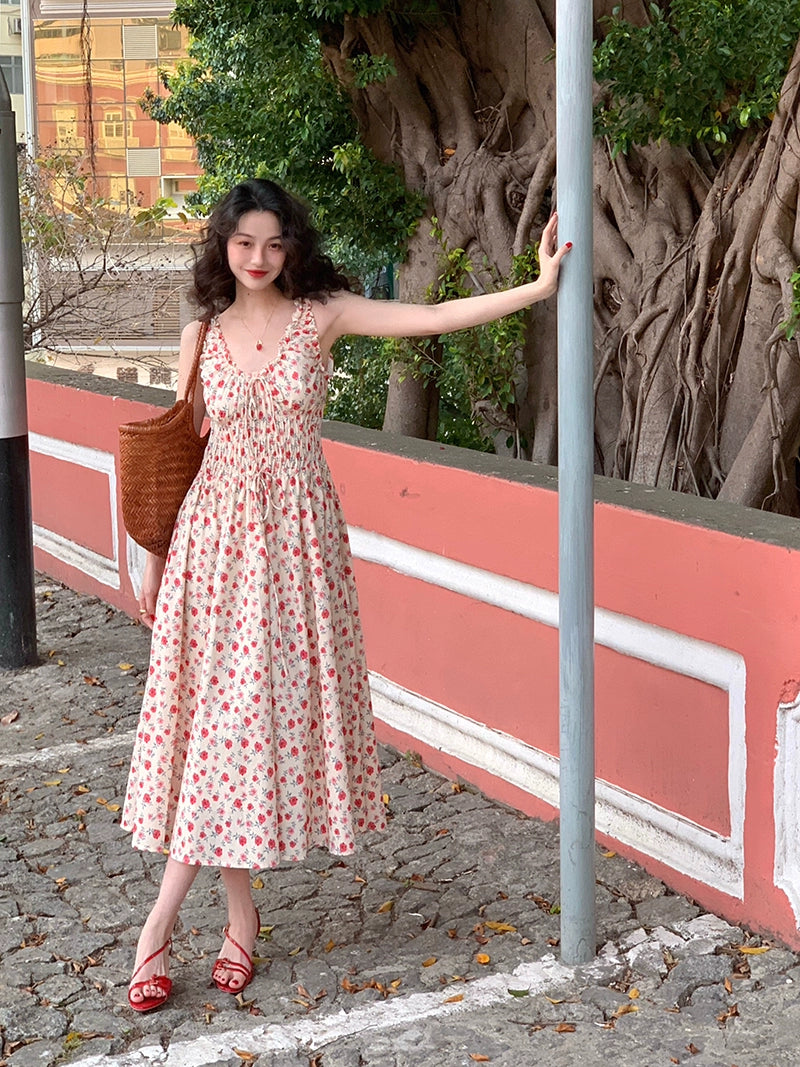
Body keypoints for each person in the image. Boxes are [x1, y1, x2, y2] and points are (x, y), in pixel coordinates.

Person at [121, 178, 571, 1012]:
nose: (257, 258)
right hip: (211, 551)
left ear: (293, 246)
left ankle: (181, 925)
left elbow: (431, 320)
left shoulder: (320, 314)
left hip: (295, 550)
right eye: (243, 242)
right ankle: (220, 917)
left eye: (273, 243)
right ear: (222, 244)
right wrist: (152, 557)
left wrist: (537, 288)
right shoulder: (201, 330)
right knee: (218, 727)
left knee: (242, 729)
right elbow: (177, 447)